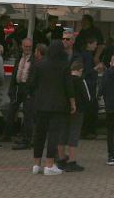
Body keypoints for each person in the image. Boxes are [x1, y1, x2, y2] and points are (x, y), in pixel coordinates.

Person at [29, 40, 75, 176]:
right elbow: (69, 86)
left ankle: (36, 164)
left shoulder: (39, 64)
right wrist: (72, 102)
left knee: (39, 134)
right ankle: (49, 165)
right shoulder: (64, 65)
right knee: (53, 135)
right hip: (58, 105)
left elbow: (32, 84)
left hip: (41, 104)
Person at [56, 60, 90, 172]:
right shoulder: (80, 81)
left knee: (62, 133)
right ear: (80, 70)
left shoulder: (64, 80)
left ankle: (61, 159)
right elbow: (87, 97)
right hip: (77, 111)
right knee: (73, 134)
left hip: (64, 110)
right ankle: (72, 161)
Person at [7, 37, 35, 150]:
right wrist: (11, 87)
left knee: (28, 114)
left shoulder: (34, 59)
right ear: (22, 46)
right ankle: (8, 134)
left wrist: (31, 90)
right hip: (18, 86)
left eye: (29, 47)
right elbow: (15, 72)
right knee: (11, 110)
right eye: (26, 46)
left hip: (27, 88)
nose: (28, 48)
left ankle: (26, 138)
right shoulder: (19, 57)